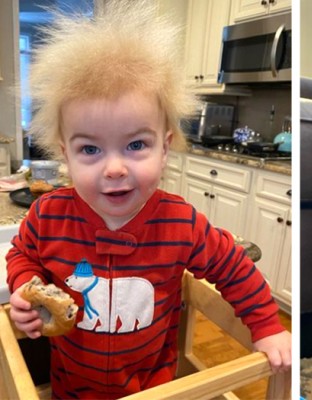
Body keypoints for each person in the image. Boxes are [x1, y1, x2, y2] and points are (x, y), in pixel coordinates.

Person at [5, 1, 290, 398]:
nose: (115, 168)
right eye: (90, 150)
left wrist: (268, 326)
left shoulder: (182, 223)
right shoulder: (48, 215)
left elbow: (233, 267)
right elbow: (21, 254)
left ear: (164, 148)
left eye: (136, 144)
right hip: (70, 387)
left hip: (152, 388)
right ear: (64, 154)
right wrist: (24, 285)